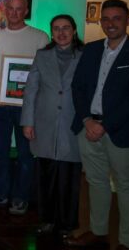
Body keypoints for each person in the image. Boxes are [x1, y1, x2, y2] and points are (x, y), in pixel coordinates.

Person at [67, 0, 129, 250]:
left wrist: (104, 125)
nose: (111, 23)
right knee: (96, 182)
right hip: (88, 126)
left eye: (117, 18)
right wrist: (87, 120)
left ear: (128, 21)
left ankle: (128, 244)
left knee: (126, 185)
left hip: (121, 131)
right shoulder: (92, 50)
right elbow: (78, 87)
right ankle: (98, 232)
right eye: (105, 18)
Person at [0, 0, 49, 215]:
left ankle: (20, 197)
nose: (14, 13)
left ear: (26, 11)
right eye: (11, 9)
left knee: (26, 154)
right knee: (0, 151)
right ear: (5, 11)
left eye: (19, 9)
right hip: (2, 104)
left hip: (29, 106)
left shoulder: (40, 37)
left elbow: (45, 71)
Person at [20, 15, 83, 236]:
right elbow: (31, 90)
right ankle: (47, 219)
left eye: (66, 28)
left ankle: (67, 224)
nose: (61, 33)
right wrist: (27, 121)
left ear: (74, 30)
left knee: (69, 177)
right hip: (44, 123)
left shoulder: (86, 55)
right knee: (45, 175)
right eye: (56, 28)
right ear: (51, 32)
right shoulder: (42, 55)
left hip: (73, 123)